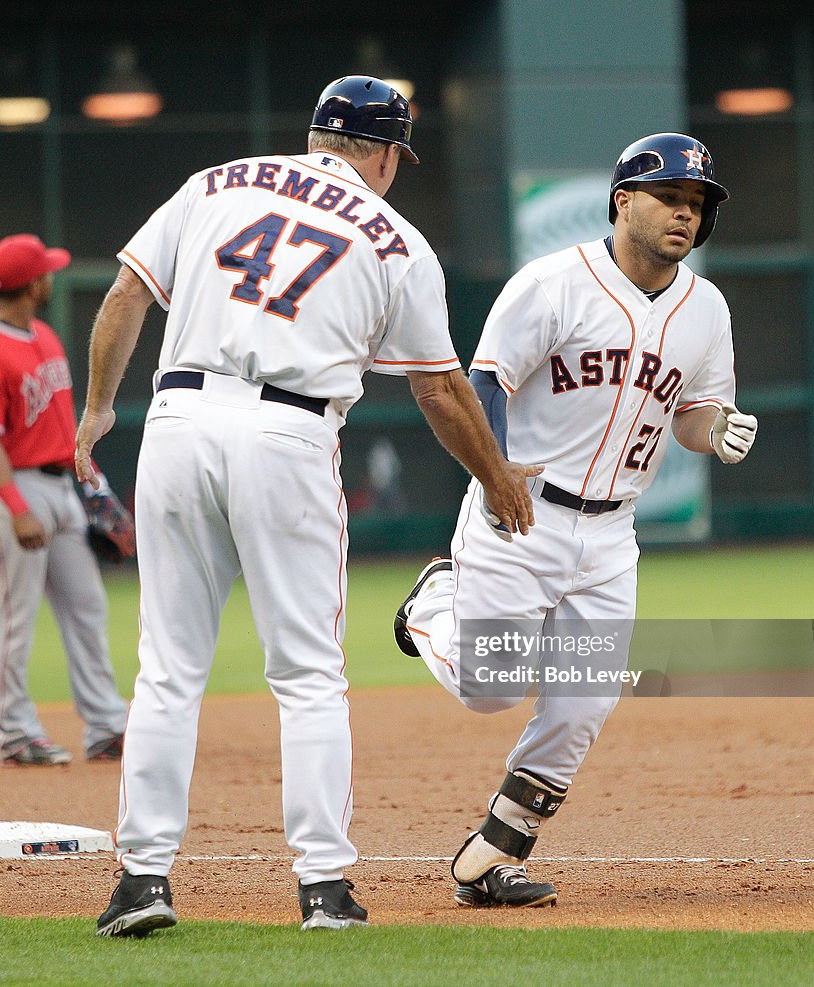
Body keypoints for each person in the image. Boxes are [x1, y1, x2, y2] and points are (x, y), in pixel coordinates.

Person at [76, 75, 539, 936]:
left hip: (174, 419)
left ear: (320, 134)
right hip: (286, 435)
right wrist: (499, 477)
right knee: (308, 674)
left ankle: (140, 881)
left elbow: (124, 295)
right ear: (385, 153)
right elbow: (440, 390)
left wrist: (101, 405)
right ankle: (323, 889)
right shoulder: (397, 238)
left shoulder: (214, 182)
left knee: (168, 669)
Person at [394, 133, 759, 909]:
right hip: (522, 509)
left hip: (611, 533)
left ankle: (492, 855)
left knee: (584, 699)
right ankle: (429, 605)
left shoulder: (707, 308)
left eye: (696, 205)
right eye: (670, 198)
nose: (685, 216)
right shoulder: (554, 282)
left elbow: (692, 410)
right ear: (623, 200)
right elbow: (485, 379)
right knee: (490, 688)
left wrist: (714, 425)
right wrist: (492, 475)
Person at [0, 234, 129, 767]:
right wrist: (16, 507)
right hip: (9, 486)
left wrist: (94, 488)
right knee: (16, 614)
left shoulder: (43, 335)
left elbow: (59, 427)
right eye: (47, 271)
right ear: (32, 285)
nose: (53, 276)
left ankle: (107, 726)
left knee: (87, 606)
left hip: (58, 484)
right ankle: (16, 733)